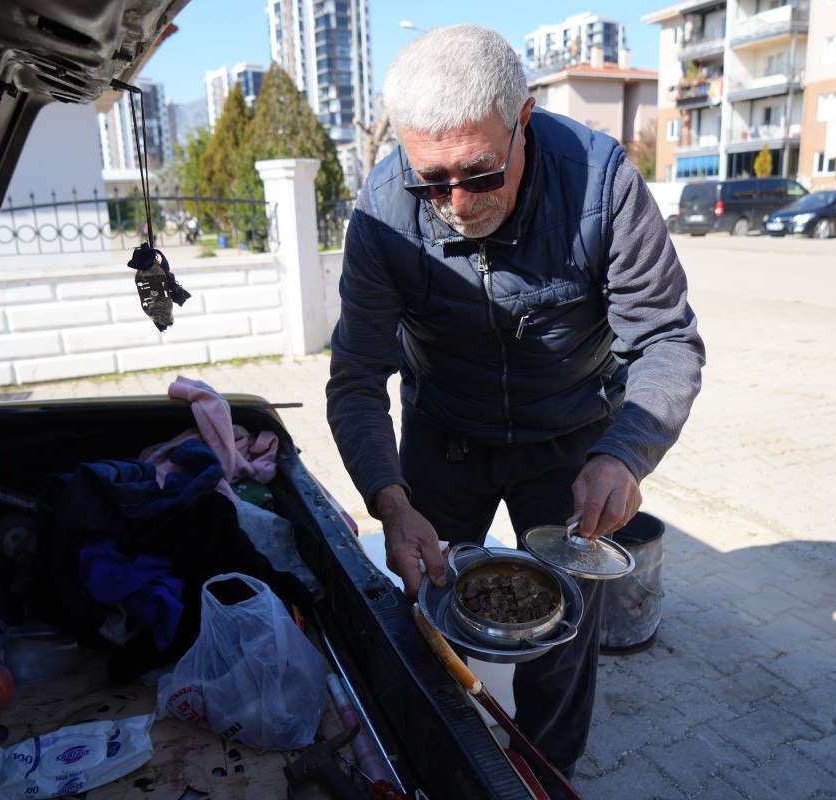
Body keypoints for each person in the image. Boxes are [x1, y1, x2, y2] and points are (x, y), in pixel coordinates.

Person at [326, 24, 705, 784]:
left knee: (562, 636)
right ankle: (435, 756)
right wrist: (391, 504)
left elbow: (665, 340)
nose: (455, 204)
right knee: (427, 609)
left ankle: (542, 772)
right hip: (443, 434)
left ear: (523, 121)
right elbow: (358, 378)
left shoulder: (600, 183)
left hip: (572, 441)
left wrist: (623, 455)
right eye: (431, 180)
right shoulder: (382, 207)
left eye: (477, 173)